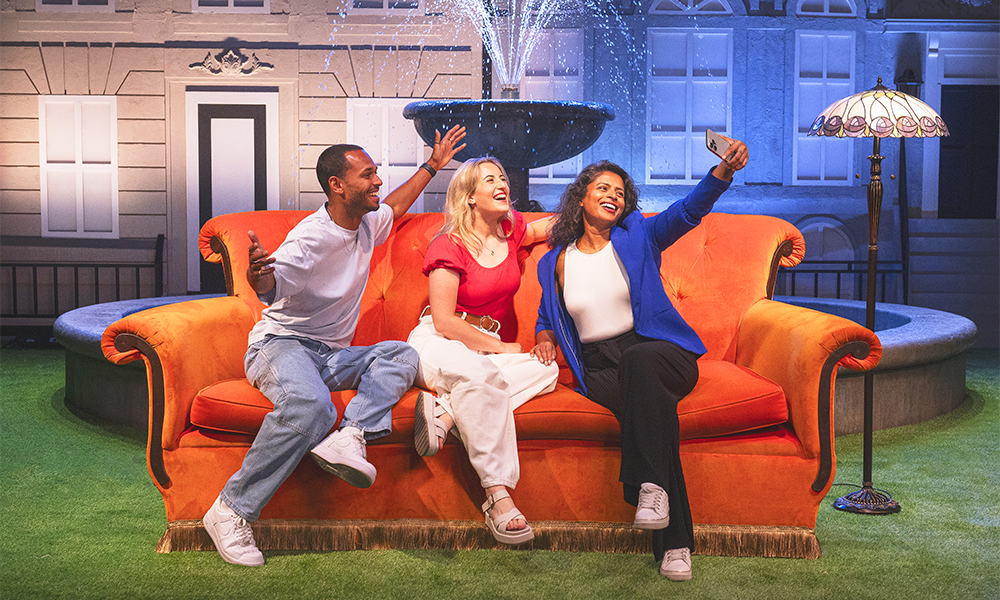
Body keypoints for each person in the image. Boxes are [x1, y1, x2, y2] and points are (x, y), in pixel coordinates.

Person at [202, 125, 467, 566]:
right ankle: (231, 509)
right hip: (281, 344)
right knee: (312, 407)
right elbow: (271, 286)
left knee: (401, 354)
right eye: (367, 175)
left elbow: (397, 206)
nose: (377, 181)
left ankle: (352, 435)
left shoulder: (366, 222)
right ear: (338, 186)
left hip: (328, 354)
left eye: (376, 173)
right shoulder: (311, 237)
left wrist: (433, 165)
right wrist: (257, 273)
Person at [532, 138, 748, 580]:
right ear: (580, 198)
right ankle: (675, 545)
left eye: (620, 192)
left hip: (660, 351)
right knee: (657, 421)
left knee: (640, 367)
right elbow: (546, 312)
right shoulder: (554, 261)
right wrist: (544, 335)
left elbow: (687, 212)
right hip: (600, 367)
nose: (614, 196)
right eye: (603, 189)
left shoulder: (638, 236)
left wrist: (722, 173)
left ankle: (645, 489)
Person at [407, 157, 558, 545]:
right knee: (482, 374)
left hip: (481, 356)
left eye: (504, 177)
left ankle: (446, 413)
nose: (502, 183)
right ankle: (498, 495)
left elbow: (549, 226)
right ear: (470, 196)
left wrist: (600, 217)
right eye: (490, 179)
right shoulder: (449, 244)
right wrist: (500, 345)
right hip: (439, 342)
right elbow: (444, 321)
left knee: (547, 370)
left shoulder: (510, 233)